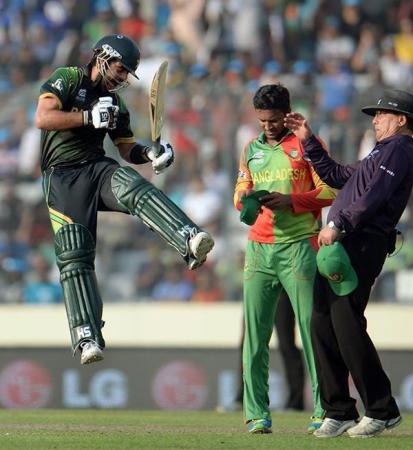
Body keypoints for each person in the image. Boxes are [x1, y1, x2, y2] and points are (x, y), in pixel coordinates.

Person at [34, 34, 214, 365]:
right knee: (75, 255)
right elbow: (43, 117)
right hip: (61, 177)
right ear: (102, 56)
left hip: (95, 168)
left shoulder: (116, 103)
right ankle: (86, 334)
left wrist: (152, 153)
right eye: (120, 68)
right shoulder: (69, 78)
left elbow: (127, 148)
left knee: (133, 186)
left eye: (127, 72)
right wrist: (87, 118)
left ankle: (187, 238)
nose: (122, 76)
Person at [284, 88, 413, 438]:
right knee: (321, 322)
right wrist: (308, 141)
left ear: (401, 120)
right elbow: (340, 176)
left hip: (360, 242)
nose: (375, 120)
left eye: (381, 114)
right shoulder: (382, 152)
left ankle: (381, 409)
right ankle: (339, 410)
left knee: (345, 323)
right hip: (345, 244)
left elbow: (375, 196)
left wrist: (338, 223)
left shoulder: (401, 149)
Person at [233, 84, 336, 434]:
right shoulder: (251, 148)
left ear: (287, 113)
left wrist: (291, 201)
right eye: (262, 121)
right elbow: (239, 191)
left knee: (311, 332)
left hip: (299, 247)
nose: (268, 127)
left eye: (274, 120)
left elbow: (330, 190)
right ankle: (257, 414)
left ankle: (324, 411)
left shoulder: (308, 144)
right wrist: (247, 201)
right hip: (258, 250)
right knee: (255, 337)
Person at [222, 289, 305, 413]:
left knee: (286, 343)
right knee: (248, 342)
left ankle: (296, 402)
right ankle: (244, 398)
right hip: (257, 282)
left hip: (281, 286)